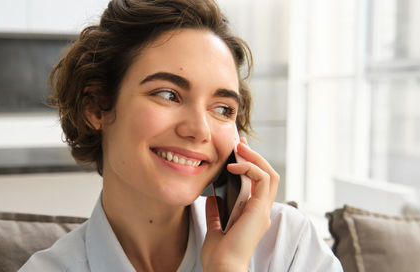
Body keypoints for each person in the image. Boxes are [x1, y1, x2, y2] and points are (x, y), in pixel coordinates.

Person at [20, 0, 342, 271]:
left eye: (223, 109)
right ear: (96, 106)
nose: (199, 129)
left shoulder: (288, 249)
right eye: (168, 94)